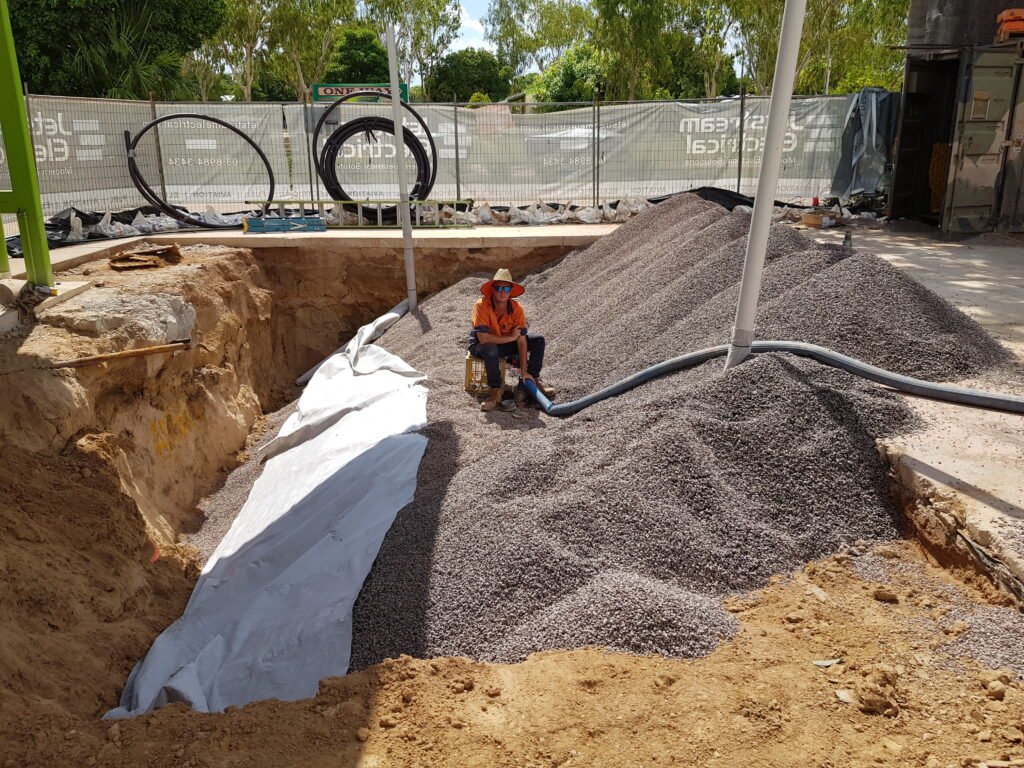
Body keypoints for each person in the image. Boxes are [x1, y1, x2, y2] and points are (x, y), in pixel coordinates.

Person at [469, 268, 555, 411]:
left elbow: (521, 340)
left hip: (506, 343)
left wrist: (523, 370)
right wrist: (510, 337)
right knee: (490, 347)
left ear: (510, 291)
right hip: (481, 346)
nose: (502, 292)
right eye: (499, 288)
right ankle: (495, 391)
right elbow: (483, 339)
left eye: (506, 288)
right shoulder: (481, 305)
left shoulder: (517, 308)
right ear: (493, 289)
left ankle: (528, 382)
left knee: (538, 340)